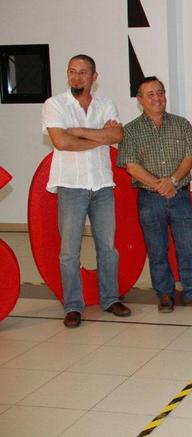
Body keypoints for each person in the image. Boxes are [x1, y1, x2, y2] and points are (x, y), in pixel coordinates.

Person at [42, 54, 131, 328]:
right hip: (71, 185)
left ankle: (110, 299)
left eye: (83, 72)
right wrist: (99, 136)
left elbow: (117, 136)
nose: (76, 77)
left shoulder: (106, 104)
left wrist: (78, 131)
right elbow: (61, 142)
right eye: (72, 71)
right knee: (69, 251)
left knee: (108, 248)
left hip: (102, 184)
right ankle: (73, 306)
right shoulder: (55, 104)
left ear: (94, 77)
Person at [119, 77, 192, 312]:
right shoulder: (130, 130)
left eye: (160, 92)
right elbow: (131, 165)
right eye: (150, 94)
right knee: (157, 249)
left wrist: (172, 181)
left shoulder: (181, 124)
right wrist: (159, 184)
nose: (157, 98)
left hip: (180, 195)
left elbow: (191, 156)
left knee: (188, 247)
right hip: (149, 198)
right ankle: (164, 294)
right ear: (140, 100)